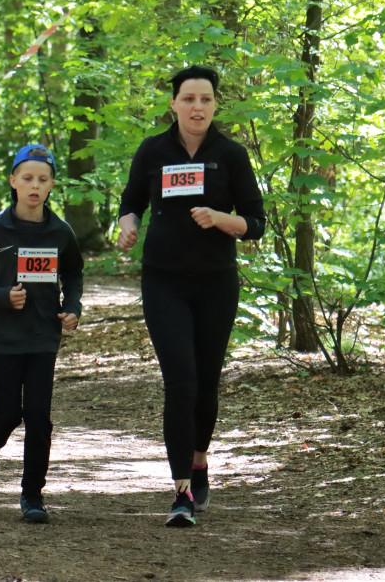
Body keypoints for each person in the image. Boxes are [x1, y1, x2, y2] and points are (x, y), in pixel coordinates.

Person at [117, 66, 265, 527]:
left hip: (216, 283)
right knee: (180, 382)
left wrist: (222, 219)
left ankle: (200, 459)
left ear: (215, 104)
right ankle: (181, 490)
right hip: (163, 281)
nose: (197, 107)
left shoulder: (231, 155)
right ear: (174, 104)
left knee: (205, 384)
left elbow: (256, 222)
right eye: (188, 99)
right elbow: (130, 201)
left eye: (205, 99)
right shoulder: (153, 150)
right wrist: (128, 226)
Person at [0, 144, 84, 524]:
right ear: (14, 181)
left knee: (38, 415)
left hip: (42, 335)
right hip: (3, 335)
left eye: (43, 180)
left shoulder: (60, 232)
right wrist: (2, 296)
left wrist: (72, 308)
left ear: (51, 186)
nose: (35, 186)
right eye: (28, 178)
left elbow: (75, 274)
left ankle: (33, 494)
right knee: (6, 412)